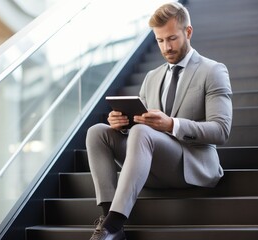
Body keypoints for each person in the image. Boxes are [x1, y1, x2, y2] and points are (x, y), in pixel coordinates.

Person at [86, 2, 232, 240]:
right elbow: (140, 125)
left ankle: (113, 225)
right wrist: (122, 123)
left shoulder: (213, 71)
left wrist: (172, 124)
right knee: (97, 131)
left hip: (191, 163)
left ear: (188, 32)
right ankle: (111, 225)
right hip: (152, 163)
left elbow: (221, 130)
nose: (166, 47)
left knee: (143, 134)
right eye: (160, 40)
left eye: (172, 38)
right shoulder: (152, 77)